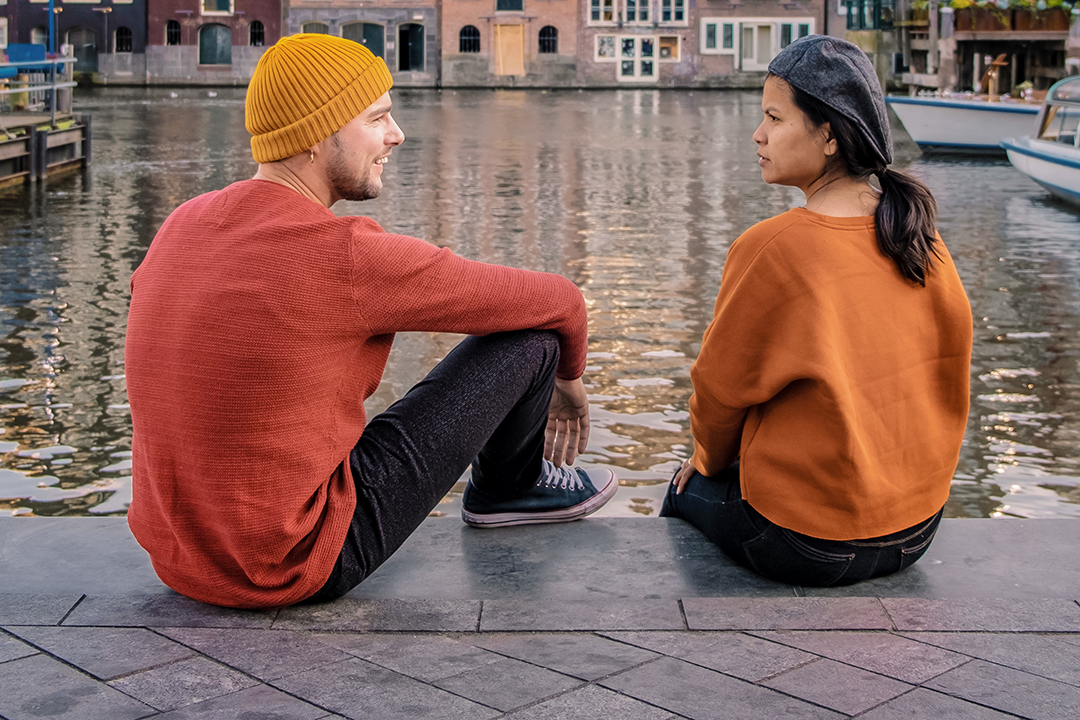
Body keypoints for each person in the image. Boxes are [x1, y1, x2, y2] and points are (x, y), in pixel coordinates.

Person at [126, 34, 616, 609]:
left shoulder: (182, 224)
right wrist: (569, 383)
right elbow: (560, 300)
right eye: (377, 117)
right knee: (531, 337)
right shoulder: (344, 252)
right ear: (316, 135)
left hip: (180, 559)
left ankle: (512, 487)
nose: (397, 135)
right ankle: (511, 489)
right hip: (293, 561)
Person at [661, 34, 972, 588]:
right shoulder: (920, 236)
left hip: (810, 543)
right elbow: (949, 370)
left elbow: (719, 392)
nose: (757, 134)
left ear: (827, 136)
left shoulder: (774, 247)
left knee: (685, 487)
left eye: (774, 119)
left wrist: (707, 462)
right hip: (920, 527)